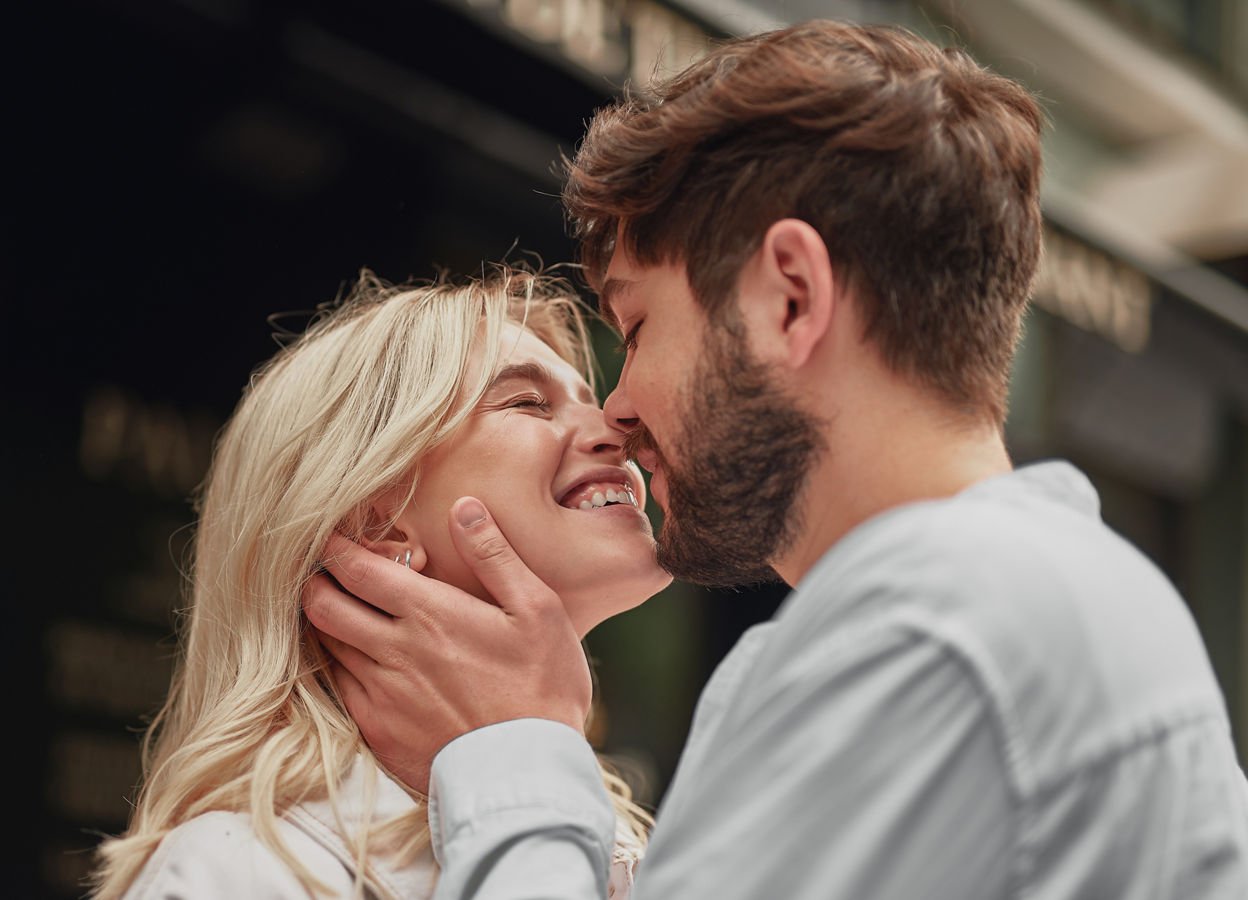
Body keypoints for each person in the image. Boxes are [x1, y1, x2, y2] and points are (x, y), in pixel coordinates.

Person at [303, 20, 1248, 899]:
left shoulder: (930, 629)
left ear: (790, 297)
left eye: (635, 327)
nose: (618, 410)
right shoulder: (1023, 598)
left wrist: (517, 745)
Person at [89, 267, 669, 900]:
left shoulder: (653, 853)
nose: (618, 430)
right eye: (528, 403)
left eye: (591, 396)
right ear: (376, 524)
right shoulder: (234, 872)